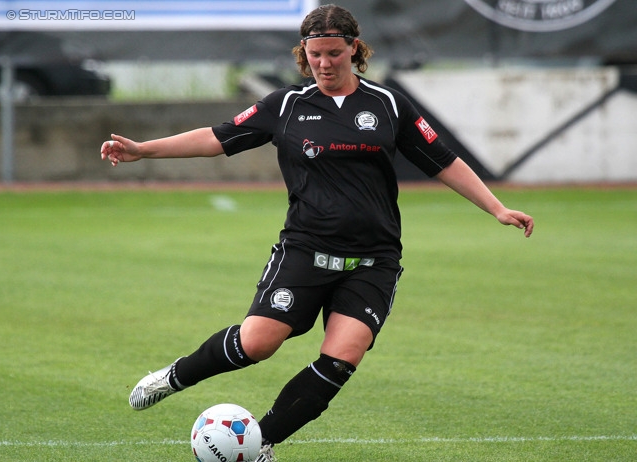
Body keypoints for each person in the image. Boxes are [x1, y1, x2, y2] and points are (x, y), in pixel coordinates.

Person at [100, 4, 534, 461]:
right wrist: (144, 150)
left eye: (333, 53)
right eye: (314, 55)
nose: (324, 64)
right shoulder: (286, 105)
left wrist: (496, 207)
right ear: (303, 54)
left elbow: (442, 160)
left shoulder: (388, 105)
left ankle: (261, 443)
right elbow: (218, 137)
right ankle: (174, 377)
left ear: (354, 49)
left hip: (373, 259)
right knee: (257, 343)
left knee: (342, 358)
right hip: (305, 250)